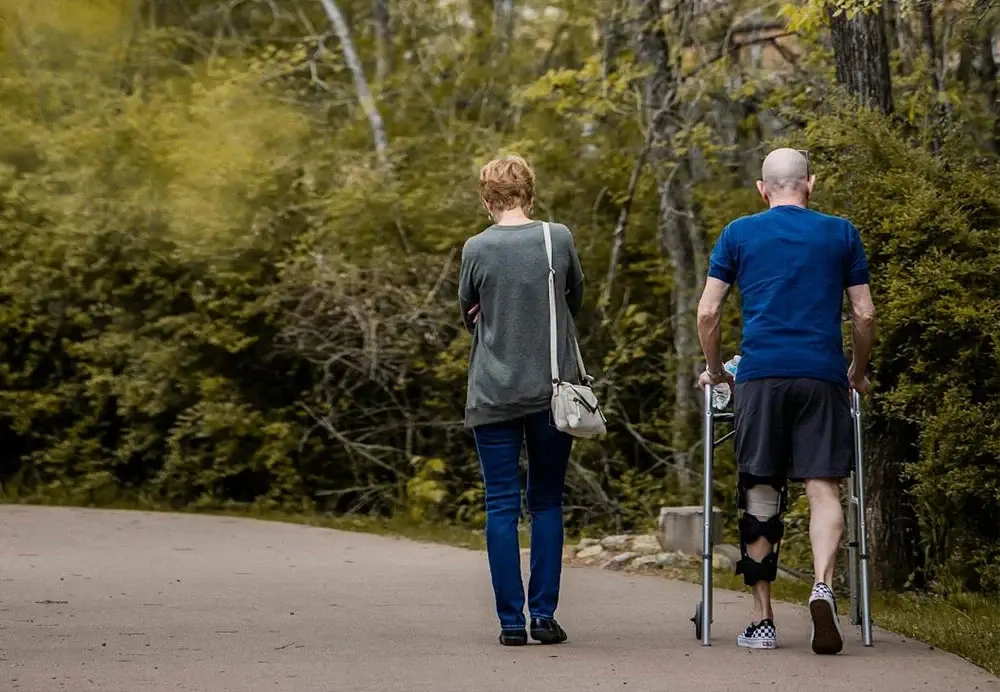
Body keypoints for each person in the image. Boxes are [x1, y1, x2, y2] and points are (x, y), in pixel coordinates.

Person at [695, 148, 876, 655]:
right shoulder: (841, 232)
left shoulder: (738, 233)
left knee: (760, 491)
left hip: (761, 376)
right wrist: (856, 373)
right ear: (810, 185)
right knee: (824, 489)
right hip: (821, 375)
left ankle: (762, 619)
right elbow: (863, 315)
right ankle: (822, 585)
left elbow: (708, 313)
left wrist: (715, 372)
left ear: (762, 188)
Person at [458, 154, 586, 647]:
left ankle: (511, 623)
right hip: (554, 390)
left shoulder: (476, 248)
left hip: (492, 392)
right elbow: (575, 303)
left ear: (486, 199)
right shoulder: (559, 238)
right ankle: (545, 616)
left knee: (500, 505)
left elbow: (469, 313)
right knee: (547, 500)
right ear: (530, 195)